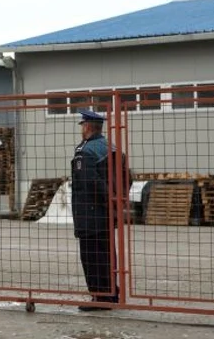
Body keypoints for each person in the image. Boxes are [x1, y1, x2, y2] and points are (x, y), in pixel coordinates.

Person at [70, 109, 119, 311]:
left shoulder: (86, 151)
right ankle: (112, 293)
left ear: (88, 127)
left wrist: (104, 201)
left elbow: (90, 182)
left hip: (90, 213)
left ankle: (99, 297)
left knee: (91, 256)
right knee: (108, 254)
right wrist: (114, 203)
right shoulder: (111, 147)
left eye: (83, 126)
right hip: (107, 213)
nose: (82, 129)